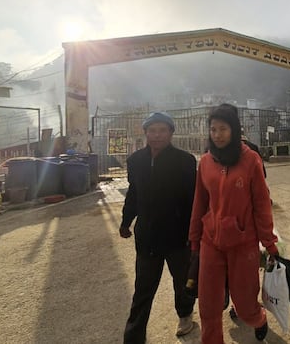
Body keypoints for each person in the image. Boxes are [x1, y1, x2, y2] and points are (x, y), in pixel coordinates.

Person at [189, 103, 279, 343]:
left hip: (243, 243)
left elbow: (261, 203)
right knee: (208, 306)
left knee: (245, 305)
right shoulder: (206, 161)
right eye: (213, 129)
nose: (217, 135)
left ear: (235, 129)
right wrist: (195, 238)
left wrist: (269, 242)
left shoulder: (250, 160)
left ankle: (258, 319)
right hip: (211, 241)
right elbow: (199, 201)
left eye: (223, 129)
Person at [119, 112, 197, 343]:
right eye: (152, 131)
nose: (157, 135)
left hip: (178, 236)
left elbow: (193, 200)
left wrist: (195, 233)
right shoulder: (135, 161)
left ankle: (185, 315)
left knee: (182, 283)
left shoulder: (185, 161)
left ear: (171, 133)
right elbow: (133, 194)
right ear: (145, 133)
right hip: (147, 237)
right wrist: (126, 221)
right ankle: (133, 336)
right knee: (143, 290)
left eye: (162, 130)